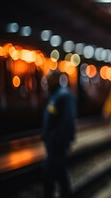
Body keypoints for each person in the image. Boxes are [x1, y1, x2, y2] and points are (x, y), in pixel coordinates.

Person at [42, 70, 76, 198]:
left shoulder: (63, 96)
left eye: (48, 80)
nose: (46, 83)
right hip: (53, 142)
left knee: (48, 173)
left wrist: (56, 139)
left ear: (56, 80)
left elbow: (66, 121)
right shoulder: (54, 95)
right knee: (60, 173)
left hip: (58, 143)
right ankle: (67, 194)